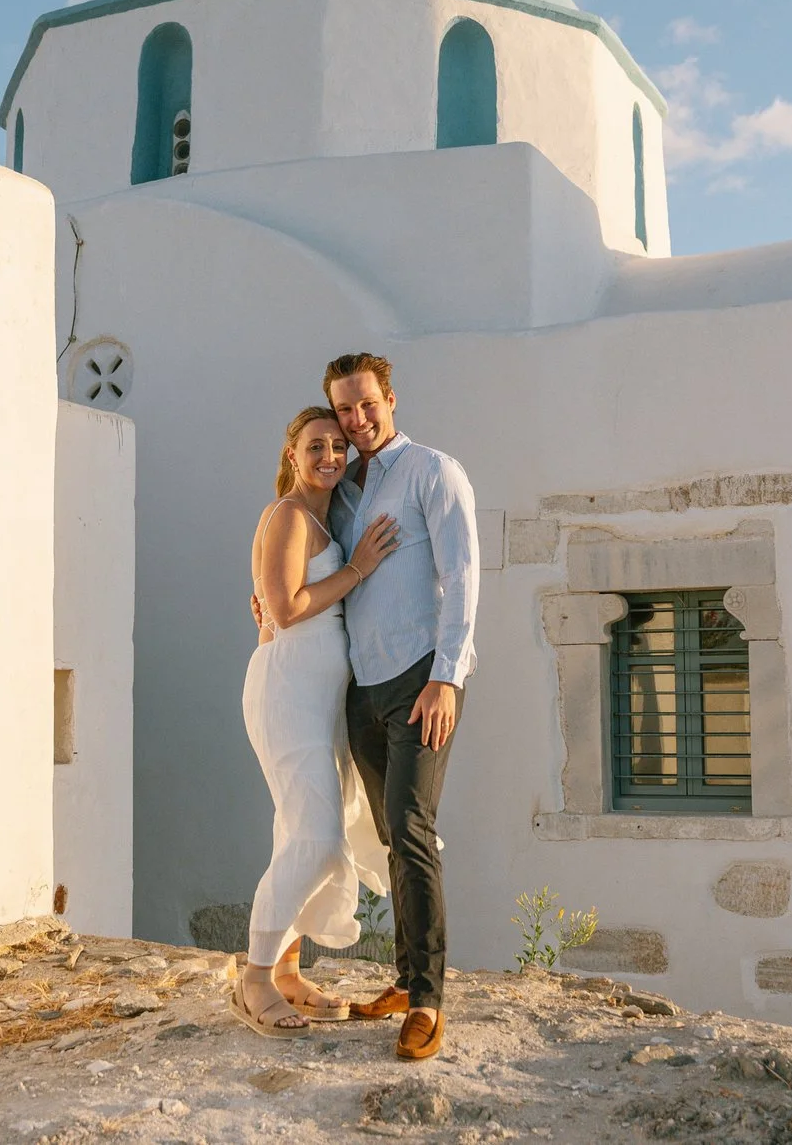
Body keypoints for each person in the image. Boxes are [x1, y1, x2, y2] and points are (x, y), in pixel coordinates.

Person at [323, 353, 479, 1061]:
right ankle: (405, 975)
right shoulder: (346, 489)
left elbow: (463, 574)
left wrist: (447, 676)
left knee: (412, 830)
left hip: (422, 680)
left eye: (366, 405)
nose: (356, 421)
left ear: (390, 397)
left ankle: (427, 1002)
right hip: (365, 688)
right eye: (345, 410)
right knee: (390, 836)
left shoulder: (433, 472)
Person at [231, 406, 402, 1037]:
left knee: (295, 830)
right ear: (291, 455)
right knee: (318, 839)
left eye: (337, 445)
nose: (329, 455)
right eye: (315, 446)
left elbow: (277, 611)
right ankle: (252, 982)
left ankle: (286, 971)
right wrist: (358, 569)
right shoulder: (287, 516)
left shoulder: (322, 516)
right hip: (290, 696)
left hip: (321, 700)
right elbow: (286, 606)